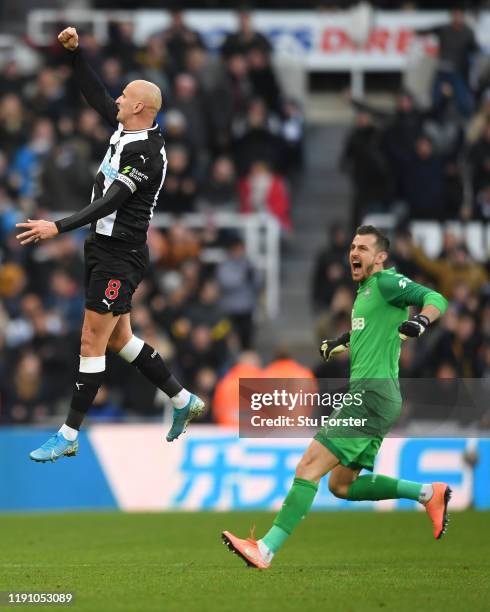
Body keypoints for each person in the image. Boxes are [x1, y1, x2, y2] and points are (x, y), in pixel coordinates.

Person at [15, 26, 204, 463]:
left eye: (123, 96)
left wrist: (56, 228)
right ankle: (181, 399)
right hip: (102, 250)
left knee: (90, 342)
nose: (116, 100)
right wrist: (76, 55)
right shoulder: (128, 131)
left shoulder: (147, 155)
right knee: (121, 339)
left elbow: (110, 202)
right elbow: (95, 94)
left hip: (120, 256)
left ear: (139, 106)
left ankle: (68, 432)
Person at [222, 225, 450, 569]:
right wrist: (340, 342)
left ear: (380, 257)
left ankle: (265, 549)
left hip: (371, 396)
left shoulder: (387, 282)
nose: (354, 253)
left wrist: (421, 321)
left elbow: (437, 299)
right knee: (341, 485)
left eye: (363, 248)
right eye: (352, 246)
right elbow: (368, 332)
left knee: (308, 466)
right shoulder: (365, 293)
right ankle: (428, 494)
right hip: (379, 398)